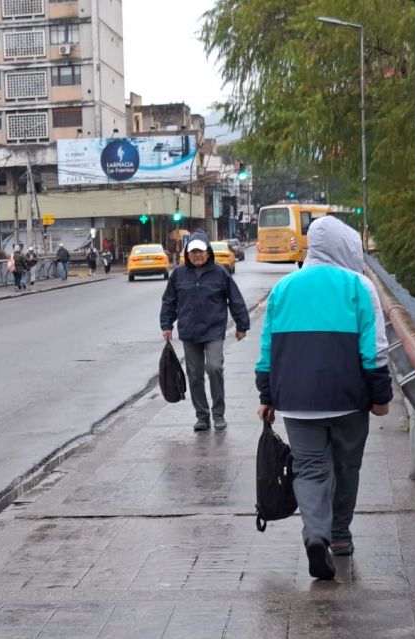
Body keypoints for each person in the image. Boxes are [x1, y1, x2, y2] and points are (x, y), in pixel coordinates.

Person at [254, 215, 392, 581]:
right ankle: (340, 535)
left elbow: (267, 348)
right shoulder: (359, 286)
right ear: (346, 246)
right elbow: (375, 349)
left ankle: (316, 534)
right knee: (346, 467)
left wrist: (266, 394)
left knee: (310, 469)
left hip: (295, 401)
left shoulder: (284, 287)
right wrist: (380, 395)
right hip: (348, 398)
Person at [160, 232, 250, 432]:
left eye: (201, 251)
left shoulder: (220, 273)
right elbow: (169, 301)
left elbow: (235, 299)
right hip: (189, 332)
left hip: (213, 331)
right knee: (194, 376)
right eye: (193, 252)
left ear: (208, 252)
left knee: (214, 367)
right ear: (187, 254)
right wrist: (166, 325)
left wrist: (242, 325)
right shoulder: (178, 274)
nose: (197, 255)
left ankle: (218, 414)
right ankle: (202, 416)